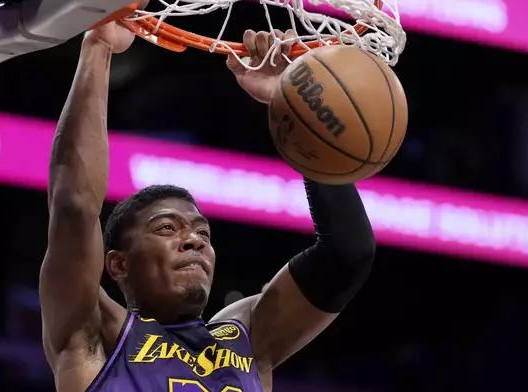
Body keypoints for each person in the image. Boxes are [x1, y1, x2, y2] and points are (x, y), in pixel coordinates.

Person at [39, 20, 376, 392]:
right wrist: (98, 47)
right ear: (118, 263)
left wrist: (295, 107)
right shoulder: (96, 337)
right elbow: (73, 205)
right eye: (167, 228)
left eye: (202, 232)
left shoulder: (245, 338)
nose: (195, 240)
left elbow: (348, 253)